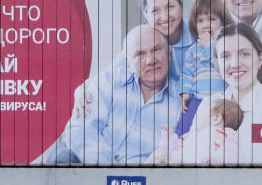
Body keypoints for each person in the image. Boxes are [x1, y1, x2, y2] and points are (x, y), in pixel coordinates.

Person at [44, 25, 181, 165]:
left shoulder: (180, 100)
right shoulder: (111, 80)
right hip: (91, 166)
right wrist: (110, 174)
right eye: (140, 54)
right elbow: (81, 129)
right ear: (128, 61)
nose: (150, 60)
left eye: (156, 49)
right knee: (60, 158)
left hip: (141, 177)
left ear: (169, 52)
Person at [195, 22, 262, 165]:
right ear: (217, 63)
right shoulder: (207, 105)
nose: (235, 63)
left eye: (245, 54)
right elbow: (187, 150)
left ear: (260, 59)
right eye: (225, 56)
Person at [151, 97, 243, 166]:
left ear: (216, 118)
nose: (199, 117)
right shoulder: (192, 135)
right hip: (176, 162)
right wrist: (169, 137)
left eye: (205, 113)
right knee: (159, 155)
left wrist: (215, 159)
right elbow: (174, 149)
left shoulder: (226, 134)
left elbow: (232, 155)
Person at [179, 0, 229, 110]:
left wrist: (209, 46)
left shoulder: (226, 45)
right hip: (197, 100)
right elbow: (187, 74)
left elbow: (223, 67)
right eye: (200, 20)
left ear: (223, 21)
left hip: (222, 100)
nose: (206, 25)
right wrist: (185, 92)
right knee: (186, 126)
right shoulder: (192, 50)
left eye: (212, 19)